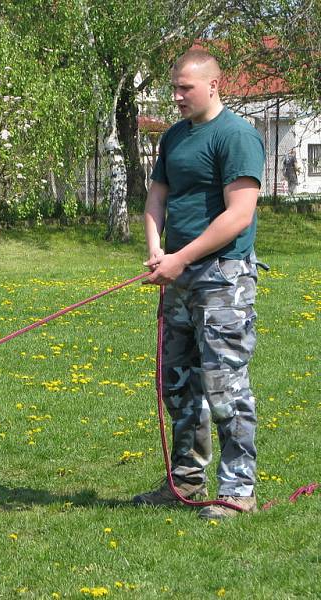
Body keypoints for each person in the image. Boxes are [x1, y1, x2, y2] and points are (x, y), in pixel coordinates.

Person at [134, 49, 265, 520]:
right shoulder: (173, 138)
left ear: (214, 85)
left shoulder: (237, 137)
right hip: (178, 276)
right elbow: (156, 197)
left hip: (222, 277)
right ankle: (185, 481)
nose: (176, 97)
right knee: (179, 384)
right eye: (173, 87)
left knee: (224, 385)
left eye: (184, 88)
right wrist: (156, 250)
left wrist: (181, 258)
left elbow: (239, 215)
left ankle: (237, 489)